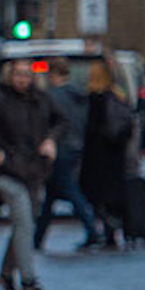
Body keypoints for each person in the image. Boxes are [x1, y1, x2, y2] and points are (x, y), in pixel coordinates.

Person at [0, 59, 58, 290]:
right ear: (10, 75)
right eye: (18, 74)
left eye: (26, 74)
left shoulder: (41, 99)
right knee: (24, 222)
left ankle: (6, 273)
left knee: (23, 225)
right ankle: (29, 278)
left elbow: (60, 121)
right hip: (7, 171)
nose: (22, 79)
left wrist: (51, 140)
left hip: (34, 170)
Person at [35, 59, 99, 250]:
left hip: (60, 148)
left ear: (53, 76)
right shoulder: (80, 96)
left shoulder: (55, 97)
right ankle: (37, 238)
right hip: (76, 146)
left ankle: (93, 231)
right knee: (51, 194)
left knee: (69, 191)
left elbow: (50, 122)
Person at [79, 61, 136, 249]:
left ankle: (108, 231)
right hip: (116, 153)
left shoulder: (96, 99)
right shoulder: (118, 96)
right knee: (117, 194)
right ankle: (126, 231)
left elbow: (91, 131)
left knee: (98, 195)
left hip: (99, 156)